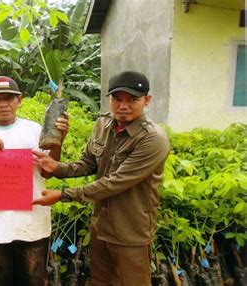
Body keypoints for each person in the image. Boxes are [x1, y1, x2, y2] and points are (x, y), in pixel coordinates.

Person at [32, 71, 170, 285]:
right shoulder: (103, 125)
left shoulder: (153, 139)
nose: (123, 105)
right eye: (117, 99)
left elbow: (115, 183)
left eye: (132, 99)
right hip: (101, 226)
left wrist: (63, 195)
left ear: (147, 100)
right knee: (101, 281)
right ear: (109, 99)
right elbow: (87, 163)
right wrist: (56, 167)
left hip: (130, 232)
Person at [0, 76, 69, 286]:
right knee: (1, 279)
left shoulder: (34, 129)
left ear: (19, 100)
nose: (3, 104)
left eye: (9, 98)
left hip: (32, 220)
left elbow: (48, 172)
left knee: (33, 279)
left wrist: (59, 139)